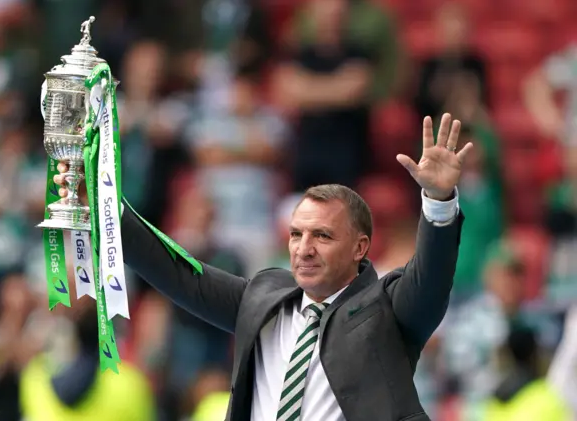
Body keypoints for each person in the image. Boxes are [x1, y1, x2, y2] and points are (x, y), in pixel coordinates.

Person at [53, 113, 472, 421]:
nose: (304, 248)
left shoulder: (388, 308)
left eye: (322, 236)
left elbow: (431, 280)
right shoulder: (264, 296)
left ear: (360, 247)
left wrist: (438, 203)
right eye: (296, 234)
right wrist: (101, 208)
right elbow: (176, 272)